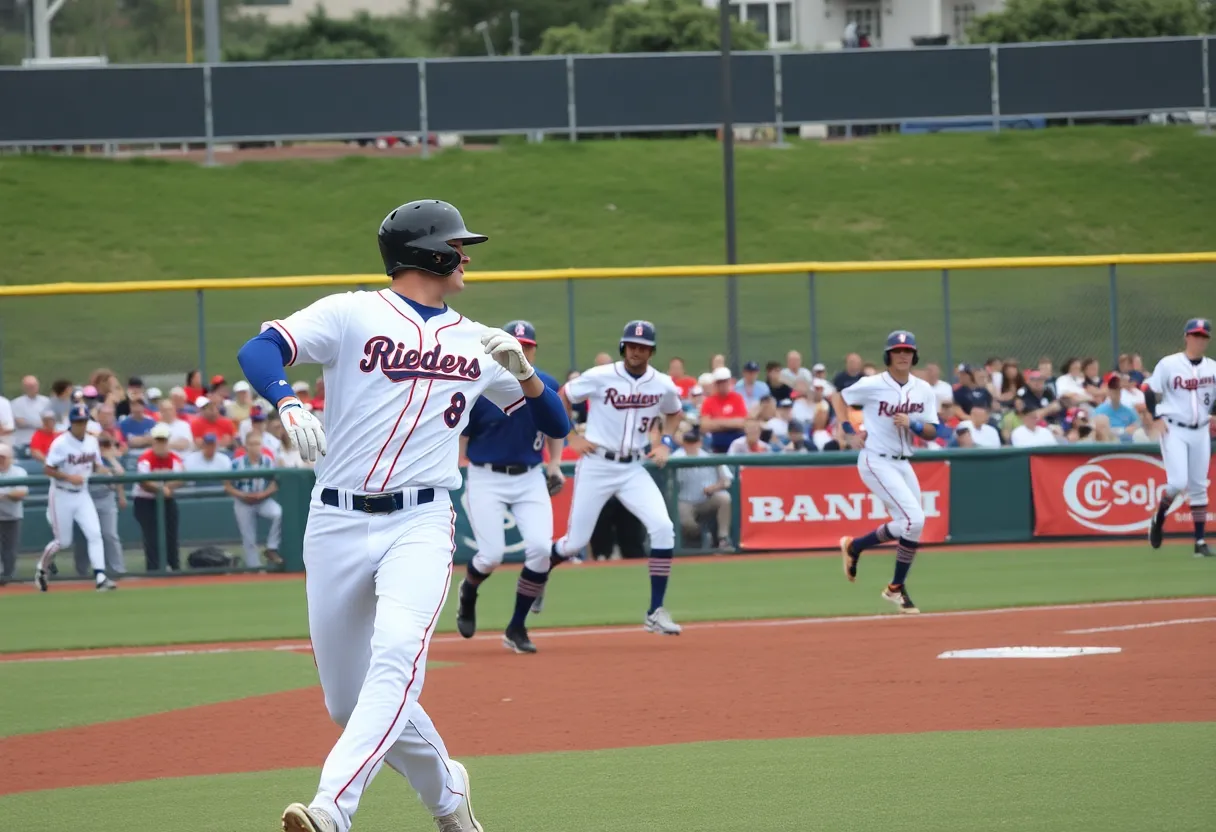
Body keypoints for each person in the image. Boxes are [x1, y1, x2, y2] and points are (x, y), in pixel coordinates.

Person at [236, 198, 568, 832]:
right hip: (334, 520)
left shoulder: (477, 341)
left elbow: (555, 420)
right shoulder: (352, 311)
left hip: (419, 522)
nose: (466, 256)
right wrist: (287, 402)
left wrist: (525, 376)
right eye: (457, 246)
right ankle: (449, 791)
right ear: (428, 254)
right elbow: (260, 350)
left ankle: (332, 809)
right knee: (346, 701)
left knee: (394, 654)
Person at [549, 320, 686, 635]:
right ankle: (540, 572)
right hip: (597, 464)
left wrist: (665, 442)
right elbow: (561, 397)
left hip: (632, 468)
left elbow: (674, 411)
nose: (636, 351)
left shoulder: (661, 383)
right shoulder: (600, 376)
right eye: (631, 345)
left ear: (651, 350)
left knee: (664, 528)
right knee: (575, 543)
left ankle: (655, 612)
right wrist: (570, 436)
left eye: (643, 346)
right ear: (623, 346)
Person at [454, 320, 567, 654]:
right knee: (490, 557)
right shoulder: (483, 383)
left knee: (541, 550)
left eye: (527, 345)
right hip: (486, 474)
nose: (521, 350)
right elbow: (463, 431)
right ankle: (469, 591)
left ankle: (517, 627)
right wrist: (459, 464)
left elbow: (556, 427)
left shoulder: (545, 382)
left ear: (533, 349)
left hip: (529, 475)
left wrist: (555, 463)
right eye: (515, 343)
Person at [831, 331, 939, 614]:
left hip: (904, 461)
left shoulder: (923, 389)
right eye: (897, 350)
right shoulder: (873, 384)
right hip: (876, 460)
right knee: (913, 519)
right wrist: (847, 431)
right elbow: (837, 398)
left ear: (914, 355)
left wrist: (913, 425)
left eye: (907, 350)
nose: (903, 355)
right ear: (888, 355)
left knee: (912, 522)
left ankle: (855, 547)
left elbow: (932, 431)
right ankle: (895, 588)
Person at [1146, 318, 1214, 557]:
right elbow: (1149, 390)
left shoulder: (1212, 367)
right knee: (1176, 483)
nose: (1199, 339)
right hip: (1174, 428)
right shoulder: (1169, 364)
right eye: (1195, 335)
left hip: (1201, 430)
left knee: (1198, 486)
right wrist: (1154, 417)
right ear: (1186, 336)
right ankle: (1159, 517)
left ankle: (1199, 543)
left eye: (1203, 336)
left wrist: (1213, 414)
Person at [34, 405, 116, 592]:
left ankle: (100, 577)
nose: (81, 425)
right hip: (61, 493)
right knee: (62, 542)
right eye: (78, 422)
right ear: (71, 423)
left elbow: (95, 465)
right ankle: (41, 568)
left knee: (95, 534)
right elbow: (48, 469)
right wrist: (70, 477)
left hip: (82, 495)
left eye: (84, 421)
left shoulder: (91, 441)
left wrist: (108, 471)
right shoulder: (61, 443)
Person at [132, 423, 186, 571]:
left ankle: (174, 568)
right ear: (153, 441)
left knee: (171, 536)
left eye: (164, 441)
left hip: (167, 500)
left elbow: (181, 477)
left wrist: (167, 488)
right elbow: (144, 482)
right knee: (152, 538)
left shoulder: (174, 458)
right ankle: (154, 570)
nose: (161, 444)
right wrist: (161, 489)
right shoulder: (145, 458)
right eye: (158, 440)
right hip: (145, 501)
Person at [73, 433, 129, 579]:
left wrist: (110, 458)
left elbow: (120, 475)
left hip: (106, 499)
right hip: (85, 499)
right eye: (101, 444)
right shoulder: (85, 456)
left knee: (109, 534)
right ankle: (82, 571)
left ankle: (118, 569)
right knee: (84, 537)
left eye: (107, 444)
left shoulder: (111, 459)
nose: (103, 448)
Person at [228, 432, 284, 569]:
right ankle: (255, 568)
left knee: (278, 513)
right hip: (243, 502)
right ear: (246, 446)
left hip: (263, 500)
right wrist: (241, 495)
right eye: (252, 444)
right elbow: (227, 485)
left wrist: (264, 494)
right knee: (249, 538)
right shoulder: (237, 463)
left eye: (258, 444)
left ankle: (271, 547)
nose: (255, 447)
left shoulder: (267, 461)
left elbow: (275, 482)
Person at [0, 443, 28, 585]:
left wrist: (3, 495)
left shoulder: (19, 472)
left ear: (9, 458)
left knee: (10, 550)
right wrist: (8, 494)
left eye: (3, 458)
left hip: (12, 516)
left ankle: (8, 576)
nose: (1, 461)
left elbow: (21, 493)